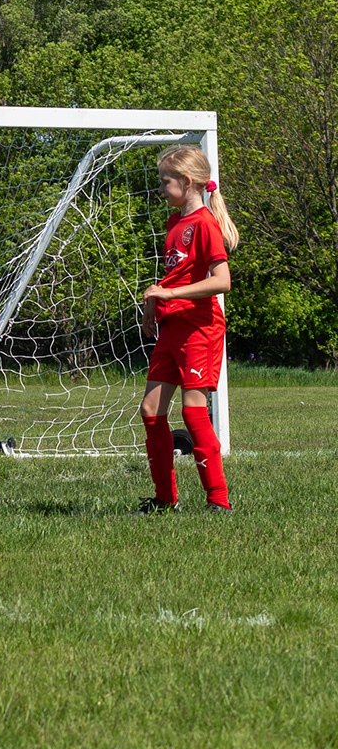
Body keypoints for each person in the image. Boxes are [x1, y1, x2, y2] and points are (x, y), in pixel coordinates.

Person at [136, 145, 238, 514]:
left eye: (166, 181)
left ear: (187, 182)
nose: (161, 189)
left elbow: (222, 281)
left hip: (200, 328)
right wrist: (154, 305)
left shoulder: (206, 224)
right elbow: (175, 276)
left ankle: (218, 501)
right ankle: (165, 499)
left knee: (193, 411)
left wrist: (169, 292)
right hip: (172, 326)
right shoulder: (174, 222)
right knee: (150, 409)